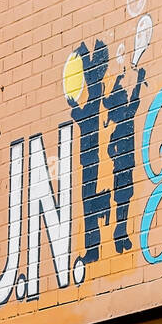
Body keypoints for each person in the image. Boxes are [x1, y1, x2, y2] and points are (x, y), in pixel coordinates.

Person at [67, 40, 111, 263]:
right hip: (90, 160)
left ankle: (104, 203)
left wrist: (73, 106)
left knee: (87, 201)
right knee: (87, 200)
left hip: (91, 161)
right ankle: (103, 202)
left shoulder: (94, 101)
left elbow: (83, 118)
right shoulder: (94, 98)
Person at [104, 65, 146, 254]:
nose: (127, 98)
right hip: (121, 170)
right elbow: (135, 101)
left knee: (125, 200)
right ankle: (119, 231)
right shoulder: (124, 121)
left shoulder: (123, 123)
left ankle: (121, 231)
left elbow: (135, 101)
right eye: (124, 97)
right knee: (122, 199)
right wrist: (138, 80)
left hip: (126, 168)